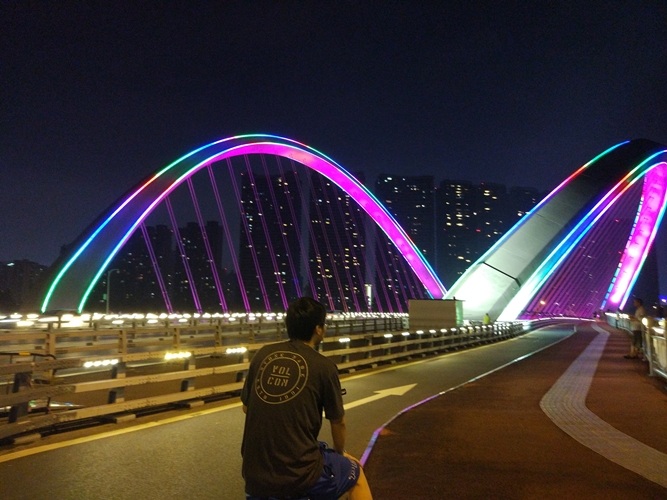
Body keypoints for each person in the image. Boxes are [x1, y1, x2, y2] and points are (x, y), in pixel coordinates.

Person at [241, 297, 373, 500]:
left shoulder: (262, 355)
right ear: (318, 329)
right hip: (299, 474)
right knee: (355, 473)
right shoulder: (324, 367)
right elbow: (338, 422)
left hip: (254, 473)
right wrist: (340, 454)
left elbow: (246, 408)